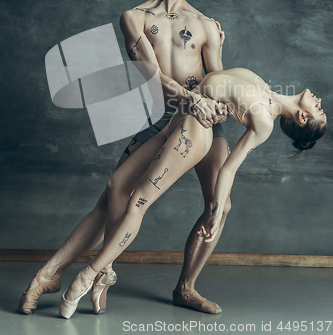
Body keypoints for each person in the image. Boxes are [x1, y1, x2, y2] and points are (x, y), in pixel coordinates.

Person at [19, 0, 231, 316]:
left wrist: (215, 77)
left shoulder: (205, 24)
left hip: (200, 122)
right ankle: (51, 275)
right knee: (113, 194)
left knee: (220, 204)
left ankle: (185, 287)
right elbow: (150, 76)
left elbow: (220, 82)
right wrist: (191, 97)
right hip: (160, 118)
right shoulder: (134, 17)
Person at [58, 67, 327, 319]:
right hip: (176, 117)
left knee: (139, 201)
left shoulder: (264, 123)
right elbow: (215, 73)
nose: (319, 101)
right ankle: (103, 273)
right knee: (117, 187)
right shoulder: (263, 85)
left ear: (303, 117)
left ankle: (88, 276)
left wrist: (216, 210)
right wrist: (217, 39)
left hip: (195, 129)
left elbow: (229, 169)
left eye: (319, 109)